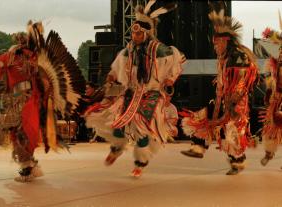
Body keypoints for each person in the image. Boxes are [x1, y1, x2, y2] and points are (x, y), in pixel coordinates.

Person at [85, 0, 185, 178]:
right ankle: (117, 147)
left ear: (146, 34)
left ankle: (141, 161)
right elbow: (117, 65)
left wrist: (170, 79)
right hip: (131, 92)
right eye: (133, 32)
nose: (134, 35)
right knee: (118, 120)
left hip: (151, 93)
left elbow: (176, 60)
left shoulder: (158, 50)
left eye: (138, 33)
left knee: (140, 124)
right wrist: (112, 75)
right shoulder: (129, 50)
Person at [0, 20, 85, 182]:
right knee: (17, 133)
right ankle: (27, 165)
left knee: (27, 131)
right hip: (16, 101)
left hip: (31, 100)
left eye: (25, 42)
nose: (22, 46)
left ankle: (28, 166)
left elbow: (45, 81)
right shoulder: (9, 57)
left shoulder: (36, 59)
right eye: (21, 43)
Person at [180, 4, 258, 175]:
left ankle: (238, 161)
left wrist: (233, 103)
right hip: (223, 99)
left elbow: (242, 82)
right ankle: (198, 147)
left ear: (225, 42)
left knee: (232, 131)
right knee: (204, 116)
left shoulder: (239, 57)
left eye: (217, 43)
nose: (215, 47)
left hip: (237, 103)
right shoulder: (224, 57)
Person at [259, 16, 282, 167]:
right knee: (270, 125)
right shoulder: (275, 63)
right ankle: (269, 152)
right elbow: (270, 77)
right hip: (276, 97)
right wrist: (268, 91)